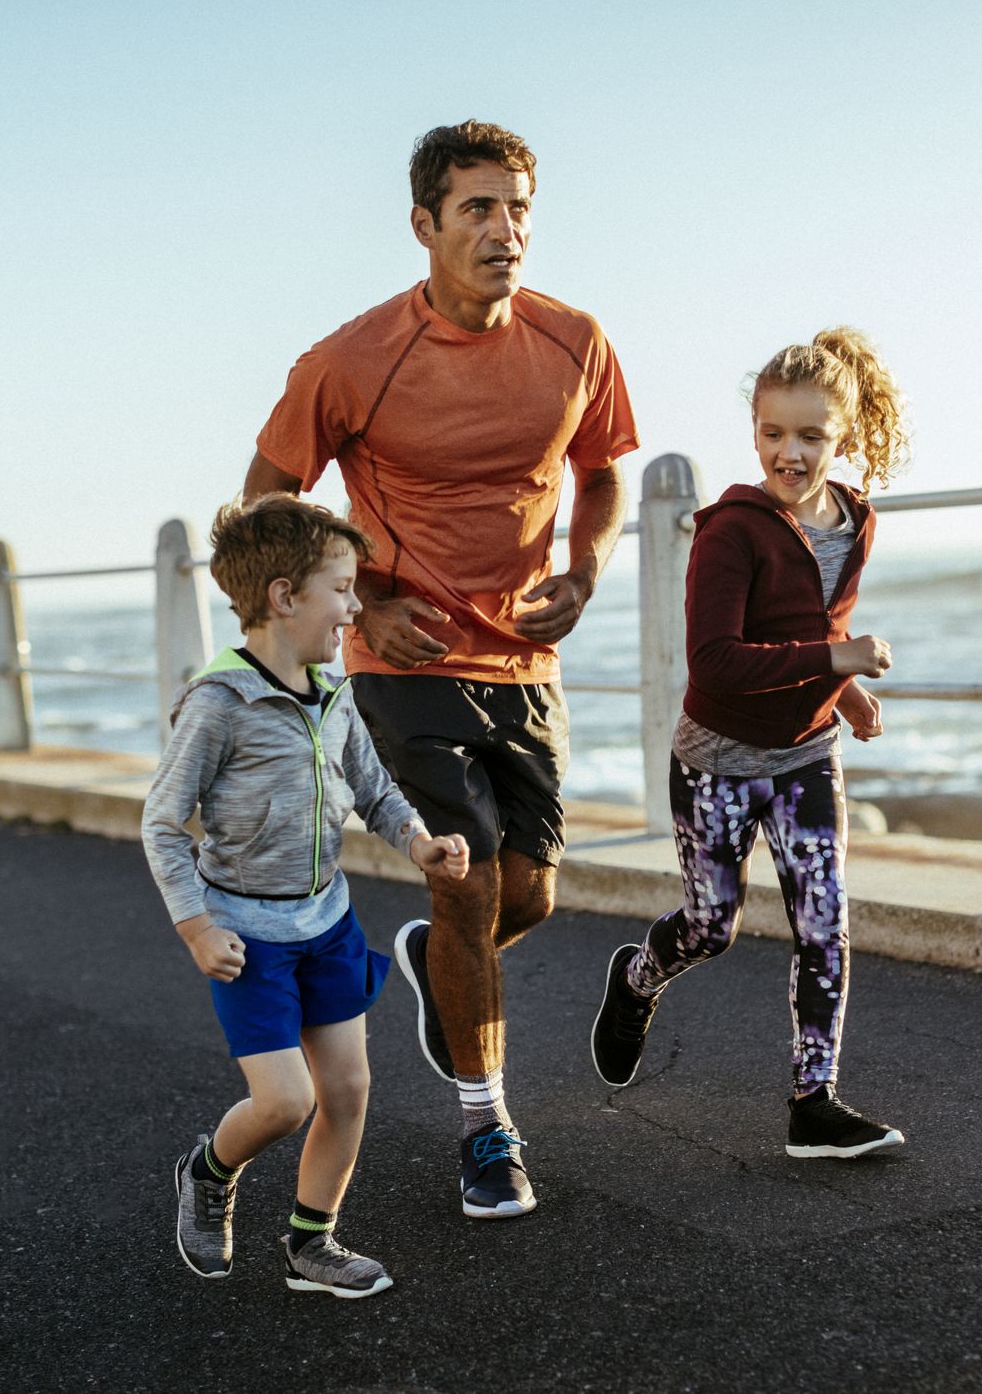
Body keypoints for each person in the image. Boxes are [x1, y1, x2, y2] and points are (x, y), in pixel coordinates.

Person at [242, 121, 638, 1219]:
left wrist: (588, 564)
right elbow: (264, 504)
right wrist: (364, 598)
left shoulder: (576, 342)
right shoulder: (353, 359)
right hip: (404, 664)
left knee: (530, 894)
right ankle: (487, 1130)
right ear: (424, 224)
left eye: (517, 208)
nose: (505, 231)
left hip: (525, 661)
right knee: (466, 884)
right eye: (478, 209)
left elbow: (602, 475)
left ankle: (435, 956)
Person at [588, 328, 911, 1159]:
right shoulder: (730, 531)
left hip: (806, 754)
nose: (788, 453)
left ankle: (814, 1102)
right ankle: (636, 981)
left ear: (841, 438)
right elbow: (717, 662)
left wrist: (841, 690)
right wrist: (834, 660)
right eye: (772, 434)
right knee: (710, 926)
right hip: (718, 762)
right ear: (754, 431)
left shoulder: (854, 523)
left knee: (824, 925)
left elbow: (807, 627)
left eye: (809, 437)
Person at [145, 493, 470, 1297]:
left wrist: (419, 840)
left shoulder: (334, 690)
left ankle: (310, 1245)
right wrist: (194, 929)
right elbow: (160, 824)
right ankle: (209, 1170)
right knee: (285, 1103)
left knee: (350, 1090)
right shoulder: (219, 705)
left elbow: (372, 787)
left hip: (325, 921)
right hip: (247, 935)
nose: (355, 605)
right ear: (284, 597)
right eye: (342, 588)